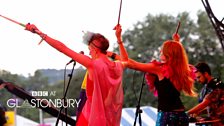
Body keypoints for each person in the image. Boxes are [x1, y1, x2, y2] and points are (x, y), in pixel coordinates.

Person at [25, 24, 128, 126]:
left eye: (89, 49)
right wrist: (119, 38)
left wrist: (40, 33)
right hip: (108, 119)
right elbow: (126, 60)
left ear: (95, 49)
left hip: (90, 117)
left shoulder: (92, 64)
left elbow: (62, 48)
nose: (89, 53)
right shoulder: (116, 66)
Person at [114, 24, 197, 126]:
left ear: (168, 54)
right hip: (181, 116)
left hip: (167, 116)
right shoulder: (181, 69)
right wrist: (176, 43)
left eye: (163, 50)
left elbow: (128, 62)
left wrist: (119, 40)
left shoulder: (159, 69)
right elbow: (177, 55)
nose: (160, 51)